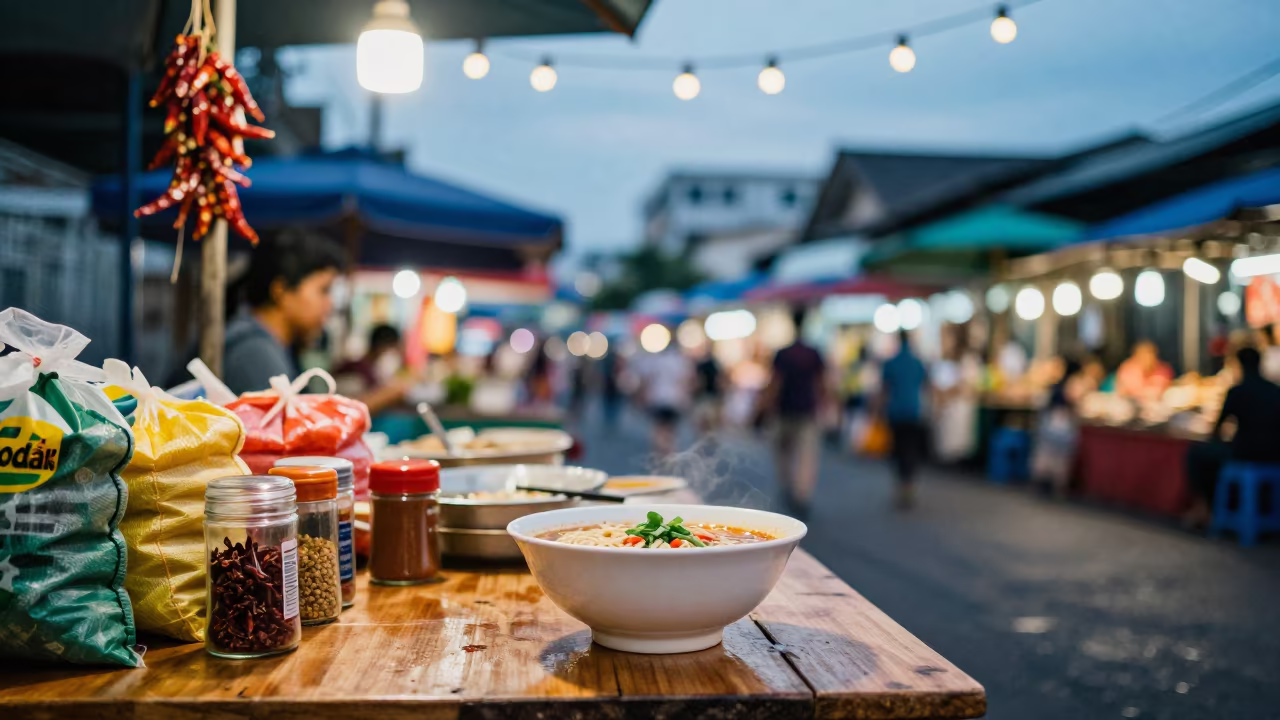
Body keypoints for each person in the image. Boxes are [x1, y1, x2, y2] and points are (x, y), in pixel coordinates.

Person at [169, 230, 344, 394]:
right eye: (324, 290)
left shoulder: (271, 344)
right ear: (281, 292)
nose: (330, 304)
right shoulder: (254, 352)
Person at [1184, 347, 1280, 529]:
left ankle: (1206, 509)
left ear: (1238, 365)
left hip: (1246, 455)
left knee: (1197, 455)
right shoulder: (1275, 390)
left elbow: (1216, 430)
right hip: (1275, 455)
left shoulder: (1237, 391)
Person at [760, 307, 828, 515]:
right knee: (807, 456)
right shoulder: (814, 352)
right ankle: (802, 493)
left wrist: (764, 408)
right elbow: (822, 384)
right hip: (807, 411)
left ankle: (789, 487)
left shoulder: (783, 353)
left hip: (783, 411)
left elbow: (775, 384)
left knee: (783, 454)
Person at [879, 330, 930, 509]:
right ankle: (909, 485)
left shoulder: (891, 363)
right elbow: (925, 386)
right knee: (911, 450)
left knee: (898, 450)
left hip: (895, 412)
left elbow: (884, 390)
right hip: (914, 411)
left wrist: (877, 411)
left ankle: (901, 485)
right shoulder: (918, 362)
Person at [333, 324, 415, 415]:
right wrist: (389, 393)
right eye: (393, 349)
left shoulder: (373, 370)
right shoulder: (354, 370)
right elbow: (348, 409)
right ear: (382, 346)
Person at [634, 331, 694, 457]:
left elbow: (646, 380)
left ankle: (659, 452)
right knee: (670, 428)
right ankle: (669, 451)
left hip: (657, 398)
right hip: (674, 399)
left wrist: (641, 396)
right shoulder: (680, 361)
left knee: (659, 427)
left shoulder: (655, 360)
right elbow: (687, 381)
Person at [692, 350, 725, 436]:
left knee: (706, 419)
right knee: (709, 419)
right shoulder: (715, 365)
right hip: (709, 395)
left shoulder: (703, 365)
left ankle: (705, 436)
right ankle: (708, 436)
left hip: (706, 395)